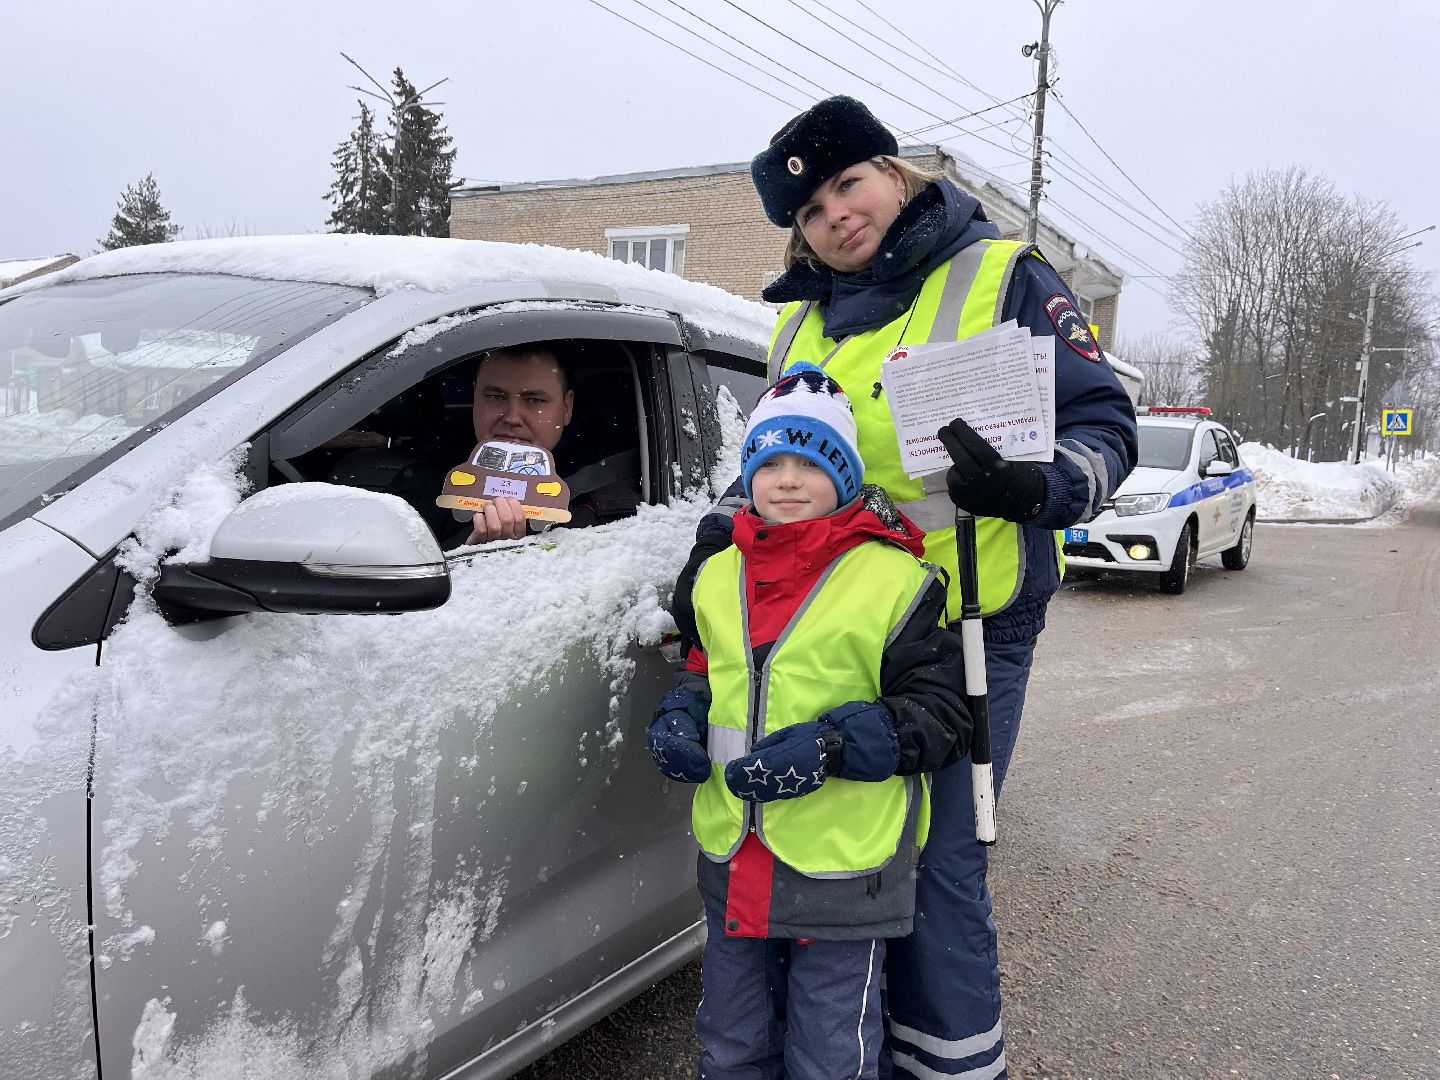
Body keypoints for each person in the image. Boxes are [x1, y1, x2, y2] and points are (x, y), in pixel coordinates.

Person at [672, 96, 1138, 1079]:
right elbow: (772, 466)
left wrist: (1037, 487)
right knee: (835, 859)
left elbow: (1105, 425)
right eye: (808, 212)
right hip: (819, 632)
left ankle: (949, 1066)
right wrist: (711, 549)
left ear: (895, 172)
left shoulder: (998, 276)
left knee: (932, 866)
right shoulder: (796, 326)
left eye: (848, 184)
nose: (835, 215)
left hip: (965, 629)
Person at [648, 363, 970, 1080]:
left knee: (832, 1051)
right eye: (770, 463)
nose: (787, 480)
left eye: (811, 461)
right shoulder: (714, 573)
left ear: (847, 474)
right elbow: (707, 668)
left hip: (843, 864)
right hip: (736, 857)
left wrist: (833, 745)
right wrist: (682, 710)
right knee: (730, 1039)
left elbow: (940, 715)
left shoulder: (896, 582)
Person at [460, 342, 640, 545]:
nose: (512, 417)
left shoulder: (609, 523)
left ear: (566, 408)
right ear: (475, 397)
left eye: (534, 400)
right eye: (495, 396)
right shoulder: (427, 482)